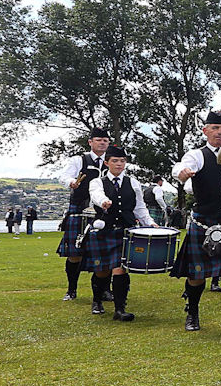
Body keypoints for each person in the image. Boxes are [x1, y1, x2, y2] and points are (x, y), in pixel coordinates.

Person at [170, 110, 221, 336]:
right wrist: (183, 173)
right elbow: (179, 167)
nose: (220, 132)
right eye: (215, 128)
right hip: (203, 223)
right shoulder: (196, 155)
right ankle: (192, 312)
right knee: (197, 274)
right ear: (205, 131)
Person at [84, 145, 156, 320]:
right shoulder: (97, 182)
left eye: (122, 161)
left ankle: (120, 309)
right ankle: (97, 300)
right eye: (115, 161)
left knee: (121, 268)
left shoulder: (133, 182)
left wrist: (150, 223)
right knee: (102, 270)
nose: (119, 164)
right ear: (107, 163)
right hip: (105, 230)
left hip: (126, 231)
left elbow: (139, 207)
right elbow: (96, 195)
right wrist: (104, 202)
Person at [56, 129, 111, 303]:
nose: (102, 143)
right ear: (90, 142)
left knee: (106, 253)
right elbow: (63, 175)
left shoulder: (112, 161)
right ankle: (71, 289)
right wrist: (71, 182)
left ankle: (104, 290)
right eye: (99, 140)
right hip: (80, 210)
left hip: (104, 212)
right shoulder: (79, 160)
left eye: (105, 140)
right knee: (75, 253)